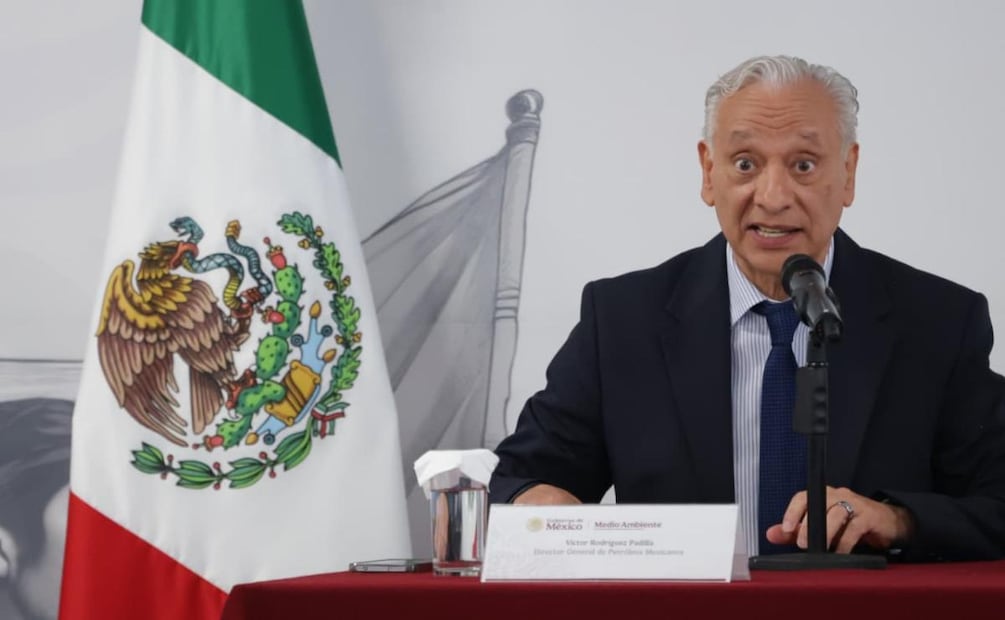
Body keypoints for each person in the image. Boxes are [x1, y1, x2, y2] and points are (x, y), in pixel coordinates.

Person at [489, 55, 1005, 561]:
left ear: (848, 173)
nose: (773, 196)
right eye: (745, 164)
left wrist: (899, 520)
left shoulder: (937, 323)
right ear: (709, 172)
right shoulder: (624, 321)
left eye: (803, 165)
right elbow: (517, 479)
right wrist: (540, 507)